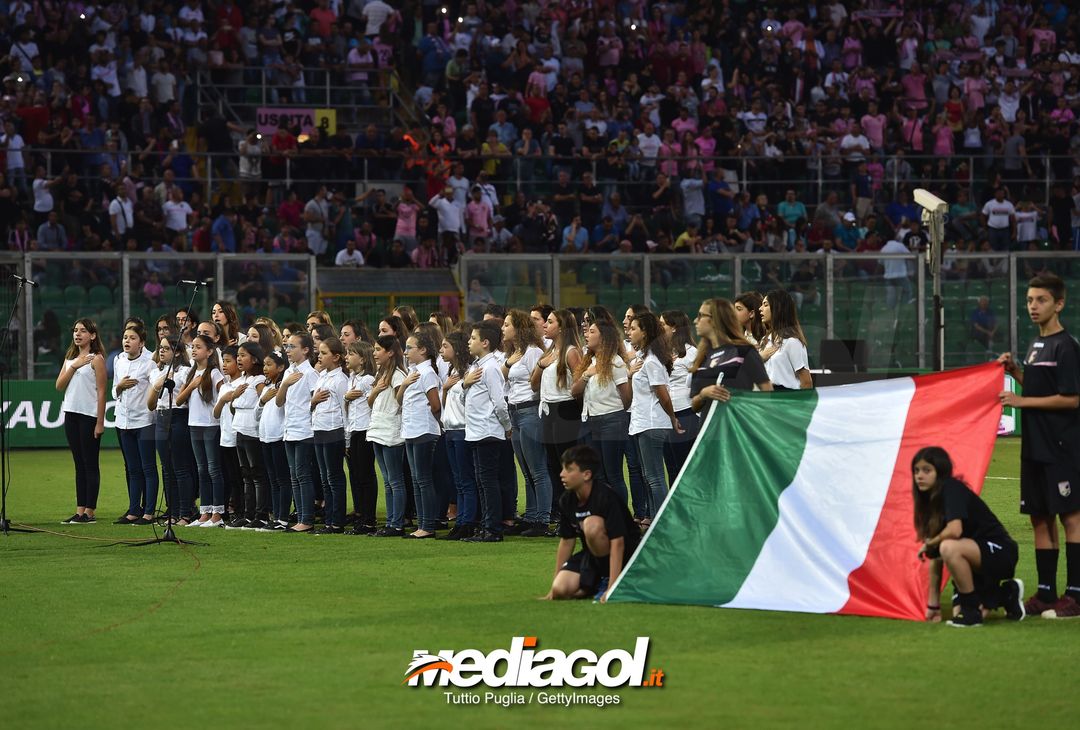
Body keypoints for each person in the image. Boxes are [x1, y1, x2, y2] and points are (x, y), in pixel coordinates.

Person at [999, 273, 1080, 618]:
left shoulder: (1067, 346)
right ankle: (1046, 594)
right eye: (1030, 300)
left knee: (1071, 517)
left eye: (1041, 300)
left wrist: (1021, 402)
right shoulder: (1035, 345)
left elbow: (1072, 399)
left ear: (1058, 304)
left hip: (1062, 445)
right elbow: (1037, 389)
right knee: (1039, 517)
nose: (1033, 306)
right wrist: (1017, 371)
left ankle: (1075, 595)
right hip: (1034, 446)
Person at [913, 446, 1025, 627]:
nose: (919, 476)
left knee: (948, 546)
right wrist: (933, 605)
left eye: (927, 470)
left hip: (1000, 552)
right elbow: (935, 557)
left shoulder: (951, 489)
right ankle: (1007, 593)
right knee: (958, 611)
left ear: (940, 472)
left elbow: (954, 530)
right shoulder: (928, 502)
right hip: (973, 557)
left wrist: (930, 543)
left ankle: (972, 612)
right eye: (916, 470)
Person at [543, 445, 641, 602]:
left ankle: (608, 580)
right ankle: (593, 583)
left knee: (592, 524)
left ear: (586, 474)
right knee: (560, 589)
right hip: (593, 554)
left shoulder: (606, 497)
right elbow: (567, 541)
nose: (562, 474)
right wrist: (553, 584)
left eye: (568, 470)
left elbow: (618, 543)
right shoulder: (567, 500)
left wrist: (611, 587)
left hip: (628, 555)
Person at [627, 312, 682, 526]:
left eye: (634, 328)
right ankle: (655, 521)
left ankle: (662, 523)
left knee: (655, 477)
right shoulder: (645, 358)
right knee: (650, 477)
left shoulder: (651, 361)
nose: (629, 332)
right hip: (643, 423)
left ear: (645, 332)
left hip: (651, 423)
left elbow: (663, 393)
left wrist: (672, 417)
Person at [500, 310, 550, 536]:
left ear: (519, 328)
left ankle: (543, 518)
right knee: (526, 469)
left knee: (538, 468)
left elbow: (537, 383)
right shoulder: (514, 353)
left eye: (507, 324)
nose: (503, 328)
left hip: (529, 410)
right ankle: (531, 516)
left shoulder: (533, 352)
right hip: (515, 412)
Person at [462, 320, 512, 542]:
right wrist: (464, 384)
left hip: (487, 431)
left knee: (488, 480)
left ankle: (493, 528)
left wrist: (507, 426)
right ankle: (486, 524)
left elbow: (499, 402)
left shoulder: (491, 367)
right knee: (482, 481)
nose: (469, 342)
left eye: (473, 338)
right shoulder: (475, 367)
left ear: (485, 342)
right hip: (475, 430)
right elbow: (465, 399)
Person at [571, 320, 631, 503]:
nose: (586, 335)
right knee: (598, 474)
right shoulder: (590, 361)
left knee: (614, 474)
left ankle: (621, 519)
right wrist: (586, 374)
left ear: (603, 337)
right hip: (591, 421)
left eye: (591, 331)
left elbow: (627, 397)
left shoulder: (615, 361)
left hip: (612, 420)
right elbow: (574, 391)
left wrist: (614, 413)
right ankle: (603, 515)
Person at [534, 309, 582, 527]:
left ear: (561, 327)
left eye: (550, 322)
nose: (545, 325)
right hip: (547, 410)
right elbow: (533, 384)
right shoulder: (549, 351)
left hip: (564, 410)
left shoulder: (571, 352)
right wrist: (541, 364)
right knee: (554, 467)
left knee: (566, 467)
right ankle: (564, 516)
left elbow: (579, 385)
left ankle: (572, 517)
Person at [57, 319, 107, 524]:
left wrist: (100, 421)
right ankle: (80, 510)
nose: (77, 334)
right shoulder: (70, 359)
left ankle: (90, 512)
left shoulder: (96, 359)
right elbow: (59, 385)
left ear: (92, 336)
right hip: (71, 414)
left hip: (88, 416)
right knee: (79, 464)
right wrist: (74, 366)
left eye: (83, 331)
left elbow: (102, 391)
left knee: (90, 463)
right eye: (75, 330)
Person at [689, 299, 772, 417]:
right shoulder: (702, 357)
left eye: (701, 315)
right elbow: (694, 406)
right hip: (709, 431)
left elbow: (767, 392)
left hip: (738, 429)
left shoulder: (743, 350)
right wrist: (703, 394)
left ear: (715, 320)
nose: (695, 320)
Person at [176, 334, 226, 527]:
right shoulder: (191, 373)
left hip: (211, 426)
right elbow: (179, 400)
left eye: (199, 347)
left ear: (210, 351)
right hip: (194, 425)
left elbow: (223, 392)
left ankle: (217, 512)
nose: (194, 350)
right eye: (193, 347)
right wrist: (191, 386)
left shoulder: (214, 373)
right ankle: (204, 512)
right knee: (201, 470)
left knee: (214, 469)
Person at [398, 330, 443, 539]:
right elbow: (400, 400)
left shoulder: (427, 373)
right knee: (417, 479)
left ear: (423, 350)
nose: (405, 352)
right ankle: (422, 524)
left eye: (410, 348)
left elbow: (435, 404)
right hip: (412, 429)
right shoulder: (413, 372)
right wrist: (405, 385)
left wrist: (434, 424)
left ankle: (428, 525)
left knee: (423, 479)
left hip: (424, 430)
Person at [147, 334, 196, 525]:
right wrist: (158, 385)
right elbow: (150, 404)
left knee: (181, 468)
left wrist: (168, 381)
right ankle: (172, 512)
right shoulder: (155, 373)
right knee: (167, 469)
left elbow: (180, 398)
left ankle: (186, 511)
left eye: (167, 348)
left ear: (177, 353)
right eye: (161, 347)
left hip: (178, 417)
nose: (162, 351)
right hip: (161, 417)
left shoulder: (185, 371)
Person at [112, 325, 158, 524]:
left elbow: (157, 385)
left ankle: (148, 512)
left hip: (144, 421)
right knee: (133, 469)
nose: (127, 341)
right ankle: (133, 510)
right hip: (123, 422)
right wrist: (119, 387)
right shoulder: (118, 360)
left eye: (132, 338)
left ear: (142, 343)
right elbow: (115, 391)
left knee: (148, 467)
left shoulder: (149, 364)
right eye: (125, 337)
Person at [276, 332, 319, 533]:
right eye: (287, 346)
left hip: (304, 430)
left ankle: (307, 518)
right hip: (289, 428)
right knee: (294, 475)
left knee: (302, 474)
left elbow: (315, 402)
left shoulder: (310, 374)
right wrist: (284, 384)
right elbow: (279, 401)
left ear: (305, 350)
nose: (288, 350)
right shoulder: (288, 373)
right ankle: (301, 516)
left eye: (292, 347)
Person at [226, 342, 272, 530]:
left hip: (253, 433)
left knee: (257, 474)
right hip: (240, 431)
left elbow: (264, 399)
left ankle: (261, 515)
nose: (239, 359)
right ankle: (248, 513)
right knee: (246, 474)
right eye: (238, 355)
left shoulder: (259, 380)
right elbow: (233, 407)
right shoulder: (242, 380)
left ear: (254, 359)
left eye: (243, 355)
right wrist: (234, 397)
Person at [368, 334, 408, 536]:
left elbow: (402, 400)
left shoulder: (398, 375)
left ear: (390, 352)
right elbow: (371, 402)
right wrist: (375, 391)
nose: (374, 353)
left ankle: (397, 523)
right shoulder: (381, 373)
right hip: (377, 428)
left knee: (395, 480)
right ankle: (392, 522)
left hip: (391, 430)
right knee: (387, 479)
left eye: (378, 350)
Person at [440, 331, 478, 540]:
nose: (441, 350)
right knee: (459, 479)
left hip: (463, 429)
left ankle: (467, 522)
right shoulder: (453, 370)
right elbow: (448, 402)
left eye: (446, 346)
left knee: (466, 479)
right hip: (451, 429)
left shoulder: (468, 371)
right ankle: (462, 521)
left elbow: (467, 400)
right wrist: (446, 389)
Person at [310, 337, 350, 534]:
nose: (320, 355)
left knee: (334, 477)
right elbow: (314, 405)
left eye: (324, 353)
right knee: (325, 478)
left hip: (334, 431)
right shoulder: (321, 377)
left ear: (336, 357)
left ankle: (337, 520)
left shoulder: (341, 380)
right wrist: (313, 401)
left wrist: (346, 438)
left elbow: (345, 410)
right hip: (320, 429)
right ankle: (329, 519)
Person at [344, 341, 378, 534]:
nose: (347, 357)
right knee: (356, 475)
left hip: (365, 430)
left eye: (351, 353)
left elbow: (371, 405)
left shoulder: (367, 380)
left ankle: (369, 518)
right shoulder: (352, 378)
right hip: (355, 430)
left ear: (363, 359)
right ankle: (361, 516)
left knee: (365, 475)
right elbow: (349, 410)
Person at [660, 310, 698, 480]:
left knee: (684, 467)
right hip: (666, 413)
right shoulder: (663, 352)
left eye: (662, 325)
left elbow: (698, 382)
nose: (659, 329)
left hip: (685, 412)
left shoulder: (691, 352)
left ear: (674, 328)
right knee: (670, 466)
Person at [257, 350, 290, 531]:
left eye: (269, 364)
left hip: (279, 437)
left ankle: (283, 518)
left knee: (282, 478)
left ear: (281, 366)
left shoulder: (285, 386)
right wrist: (262, 401)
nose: (265, 368)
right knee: (273, 479)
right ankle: (276, 516)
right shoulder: (268, 388)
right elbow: (257, 415)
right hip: (265, 438)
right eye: (264, 364)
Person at [759, 290, 813, 390]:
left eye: (765, 305)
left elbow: (806, 382)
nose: (760, 309)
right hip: (765, 398)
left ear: (778, 308)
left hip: (786, 399)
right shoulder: (764, 340)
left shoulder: (792, 342)